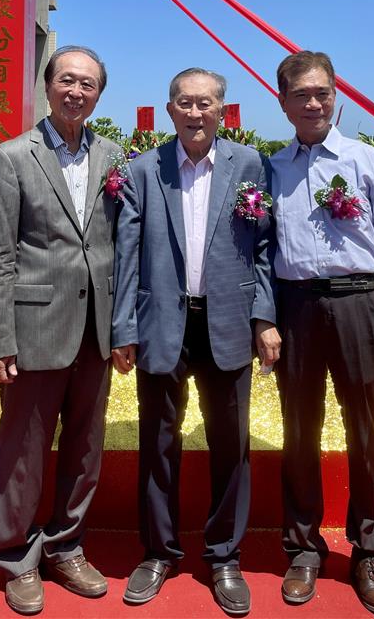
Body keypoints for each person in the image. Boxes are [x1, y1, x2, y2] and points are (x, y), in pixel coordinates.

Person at [112, 67, 281, 617]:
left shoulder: (249, 165)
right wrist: (123, 330)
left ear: (222, 109)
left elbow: (263, 251)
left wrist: (264, 317)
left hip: (228, 322)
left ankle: (224, 556)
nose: (195, 112)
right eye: (184, 103)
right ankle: (158, 551)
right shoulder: (144, 169)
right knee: (158, 442)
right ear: (170, 110)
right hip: (162, 322)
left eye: (205, 103)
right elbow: (127, 255)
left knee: (231, 443)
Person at [267, 50, 374, 616]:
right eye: (301, 95)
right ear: (282, 103)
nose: (313, 103)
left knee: (365, 430)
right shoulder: (272, 168)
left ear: (336, 97)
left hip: (357, 303)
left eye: (322, 93)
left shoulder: (366, 161)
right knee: (299, 432)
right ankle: (304, 548)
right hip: (295, 309)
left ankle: (369, 552)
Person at [0, 46, 119, 617]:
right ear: (48, 85)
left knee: (85, 448)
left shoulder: (114, 157)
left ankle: (66, 546)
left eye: (87, 84)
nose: (76, 92)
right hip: (34, 328)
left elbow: (118, 246)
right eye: (67, 80)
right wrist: (0, 339)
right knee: (23, 451)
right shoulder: (12, 157)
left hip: (97, 331)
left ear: (98, 94)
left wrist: (125, 326)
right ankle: (16, 556)